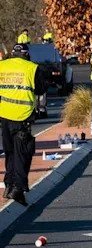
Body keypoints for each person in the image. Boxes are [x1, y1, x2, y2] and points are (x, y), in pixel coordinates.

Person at [0, 44, 45, 206]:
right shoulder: (32, 68)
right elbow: (40, 89)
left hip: (4, 114)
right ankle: (17, 188)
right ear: (26, 54)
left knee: (10, 152)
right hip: (22, 116)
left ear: (13, 53)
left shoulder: (2, 66)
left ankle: (9, 184)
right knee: (23, 153)